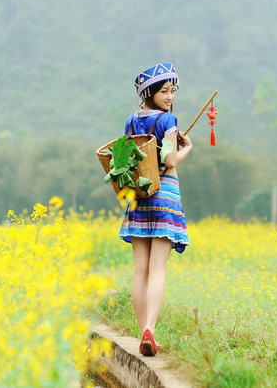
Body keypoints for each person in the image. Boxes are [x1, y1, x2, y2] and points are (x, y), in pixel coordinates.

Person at [118, 62, 192, 357]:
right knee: (158, 268)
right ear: (149, 93)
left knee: (140, 269)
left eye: (172, 91)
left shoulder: (131, 121)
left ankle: (143, 333)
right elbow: (170, 161)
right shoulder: (168, 120)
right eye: (164, 91)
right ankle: (150, 329)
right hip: (164, 194)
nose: (170, 97)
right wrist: (186, 149)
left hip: (138, 196)